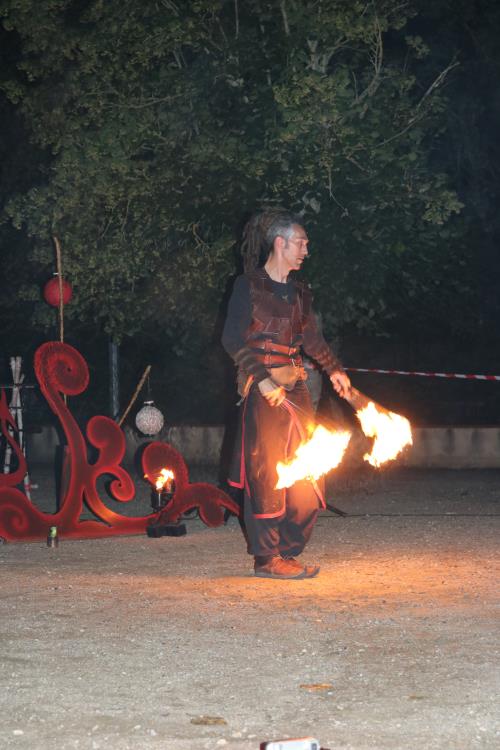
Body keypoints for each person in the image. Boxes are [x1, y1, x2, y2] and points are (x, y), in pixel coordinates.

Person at [222, 208, 351, 579]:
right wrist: (262, 379)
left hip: (296, 392)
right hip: (262, 392)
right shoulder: (247, 286)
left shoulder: (300, 293)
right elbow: (231, 338)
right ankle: (267, 559)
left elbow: (311, 338)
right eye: (301, 242)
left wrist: (334, 369)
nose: (306, 250)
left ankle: (288, 551)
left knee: (309, 474)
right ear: (279, 243)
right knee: (266, 475)